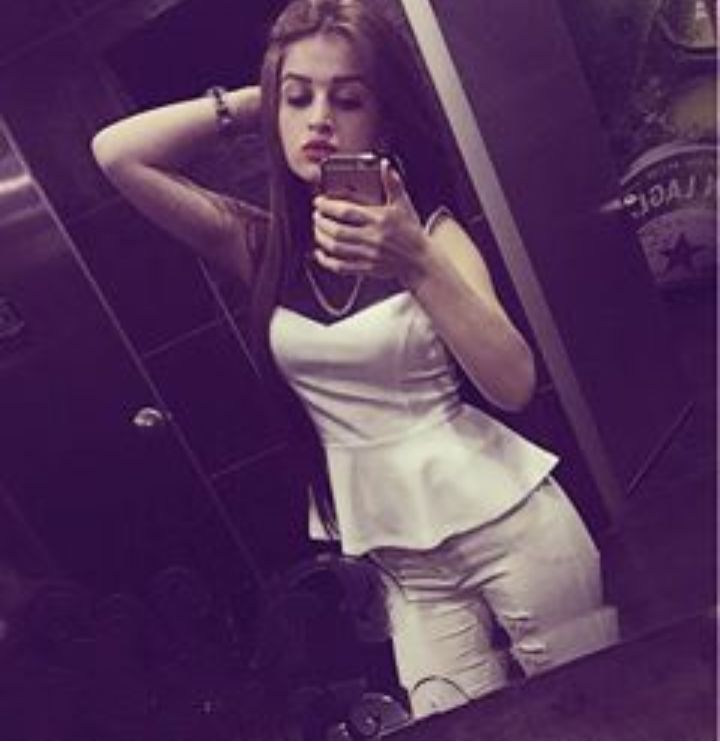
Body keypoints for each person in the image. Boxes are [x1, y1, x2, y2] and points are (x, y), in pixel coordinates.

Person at [91, 0, 618, 720]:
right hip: (402, 563)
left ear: (384, 121)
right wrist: (263, 98)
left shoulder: (433, 234)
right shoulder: (261, 247)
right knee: (450, 722)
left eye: (348, 100)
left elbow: (514, 383)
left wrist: (415, 259)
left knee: (593, 712)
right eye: (299, 99)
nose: (319, 120)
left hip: (512, 525)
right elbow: (117, 154)